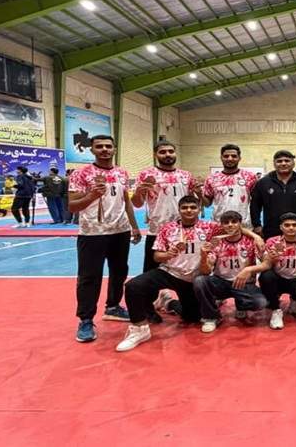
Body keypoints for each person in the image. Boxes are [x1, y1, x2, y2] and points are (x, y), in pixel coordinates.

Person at [115, 196, 221, 352]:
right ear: (179, 210)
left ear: (199, 209)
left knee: (192, 317)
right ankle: (139, 329)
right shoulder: (168, 228)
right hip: (170, 272)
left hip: (193, 279)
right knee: (133, 286)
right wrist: (168, 254)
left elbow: (235, 228)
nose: (189, 210)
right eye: (185, 208)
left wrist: (255, 237)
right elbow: (156, 256)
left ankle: (168, 303)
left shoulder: (210, 227)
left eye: (193, 207)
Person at [68, 135, 142, 343]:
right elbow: (72, 206)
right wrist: (91, 196)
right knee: (89, 277)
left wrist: (134, 226)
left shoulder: (122, 172)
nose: (104, 149)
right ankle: (85, 320)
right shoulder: (81, 174)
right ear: (92, 150)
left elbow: (126, 201)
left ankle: (113, 306)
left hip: (120, 232)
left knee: (120, 272)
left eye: (108, 146)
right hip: (93, 233)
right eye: (99, 146)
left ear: (114, 149)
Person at [193, 211, 268, 333]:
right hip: (221, 282)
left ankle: (241, 305)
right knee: (200, 281)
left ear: (240, 224)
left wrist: (249, 269)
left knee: (260, 303)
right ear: (222, 225)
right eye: (226, 222)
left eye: (234, 222)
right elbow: (205, 271)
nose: (230, 225)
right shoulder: (216, 243)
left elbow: (267, 263)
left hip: (244, 283)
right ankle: (211, 317)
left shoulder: (251, 242)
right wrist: (203, 255)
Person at [132, 141, 199, 273]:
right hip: (157, 230)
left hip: (183, 231)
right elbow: (137, 203)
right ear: (155, 154)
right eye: (162, 152)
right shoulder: (146, 175)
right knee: (151, 271)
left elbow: (192, 202)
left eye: (170, 151)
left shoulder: (186, 175)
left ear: (175, 153)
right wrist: (138, 192)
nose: (167, 154)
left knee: (184, 268)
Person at [258, 213, 296, 329]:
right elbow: (265, 263)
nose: (291, 228)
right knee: (265, 277)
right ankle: (276, 309)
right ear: (281, 227)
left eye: (294, 225)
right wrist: (271, 258)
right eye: (287, 225)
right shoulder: (272, 242)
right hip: (278, 278)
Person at [251, 150, 296, 239]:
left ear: (293, 163)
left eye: (287, 161)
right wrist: (257, 225)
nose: (283, 163)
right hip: (270, 231)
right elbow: (255, 205)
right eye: (279, 161)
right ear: (274, 163)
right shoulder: (263, 183)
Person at [202, 144, 257, 228]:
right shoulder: (212, 178)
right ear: (221, 158)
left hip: (243, 224)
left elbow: (256, 202)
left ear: (239, 158)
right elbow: (207, 204)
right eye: (226, 156)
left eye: (234, 156)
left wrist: (257, 224)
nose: (230, 158)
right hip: (219, 224)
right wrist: (199, 193)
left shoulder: (249, 177)